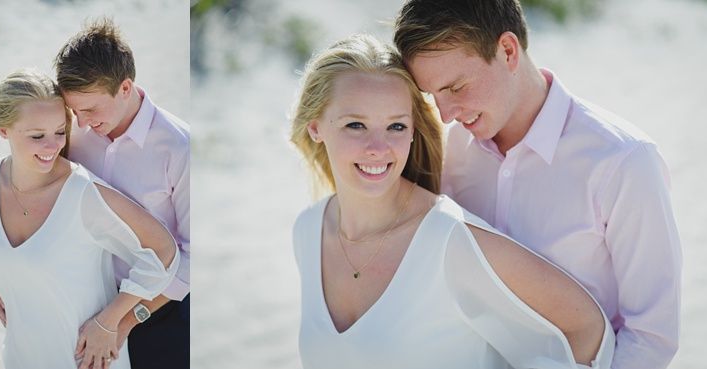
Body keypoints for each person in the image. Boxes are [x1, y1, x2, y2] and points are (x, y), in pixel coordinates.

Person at [289, 33, 615, 369]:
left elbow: (584, 328)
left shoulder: (447, 238)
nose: (379, 147)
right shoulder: (308, 231)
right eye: (355, 125)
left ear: (413, 130)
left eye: (396, 126)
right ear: (315, 127)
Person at [393, 1, 682, 368]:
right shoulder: (448, 147)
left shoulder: (623, 162)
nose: (446, 114)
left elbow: (652, 335)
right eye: (432, 95)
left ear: (508, 51)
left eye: (456, 87)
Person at [0, 18, 189, 368]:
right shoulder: (70, 133)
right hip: (79, 308)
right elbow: (38, 201)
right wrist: (12, 276)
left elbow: (190, 257)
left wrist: (119, 321)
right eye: (74, 111)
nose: (80, 123)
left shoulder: (181, 148)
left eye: (91, 109)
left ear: (125, 88)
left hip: (158, 313)